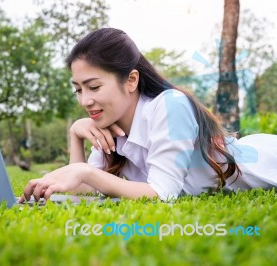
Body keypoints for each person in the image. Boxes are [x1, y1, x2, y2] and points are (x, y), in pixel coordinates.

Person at [19, 28, 277, 202]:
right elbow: (83, 190)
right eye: (78, 89)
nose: (85, 100)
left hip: (266, 164)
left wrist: (86, 173)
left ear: (131, 80)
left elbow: (163, 194)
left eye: (94, 87)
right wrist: (75, 135)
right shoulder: (109, 123)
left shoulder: (170, 106)